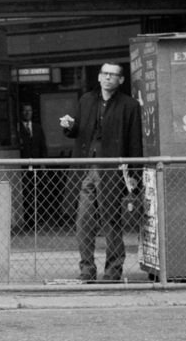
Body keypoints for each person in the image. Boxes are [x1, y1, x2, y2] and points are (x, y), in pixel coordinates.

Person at [60, 63, 142, 282]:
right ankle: (87, 270)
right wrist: (68, 125)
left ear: (121, 80)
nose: (108, 78)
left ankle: (113, 272)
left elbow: (134, 142)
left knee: (112, 221)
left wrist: (134, 174)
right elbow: (77, 131)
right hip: (86, 168)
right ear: (98, 77)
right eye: (105, 74)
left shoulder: (130, 105)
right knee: (83, 222)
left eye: (113, 75)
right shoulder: (86, 100)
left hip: (112, 171)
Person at [17, 102, 48, 229]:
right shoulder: (17, 128)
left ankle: (37, 220)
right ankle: (28, 221)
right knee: (26, 192)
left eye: (29, 110)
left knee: (37, 192)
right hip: (23, 166)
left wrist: (43, 163)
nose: (27, 113)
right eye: (25, 110)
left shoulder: (37, 128)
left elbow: (43, 146)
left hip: (36, 165)